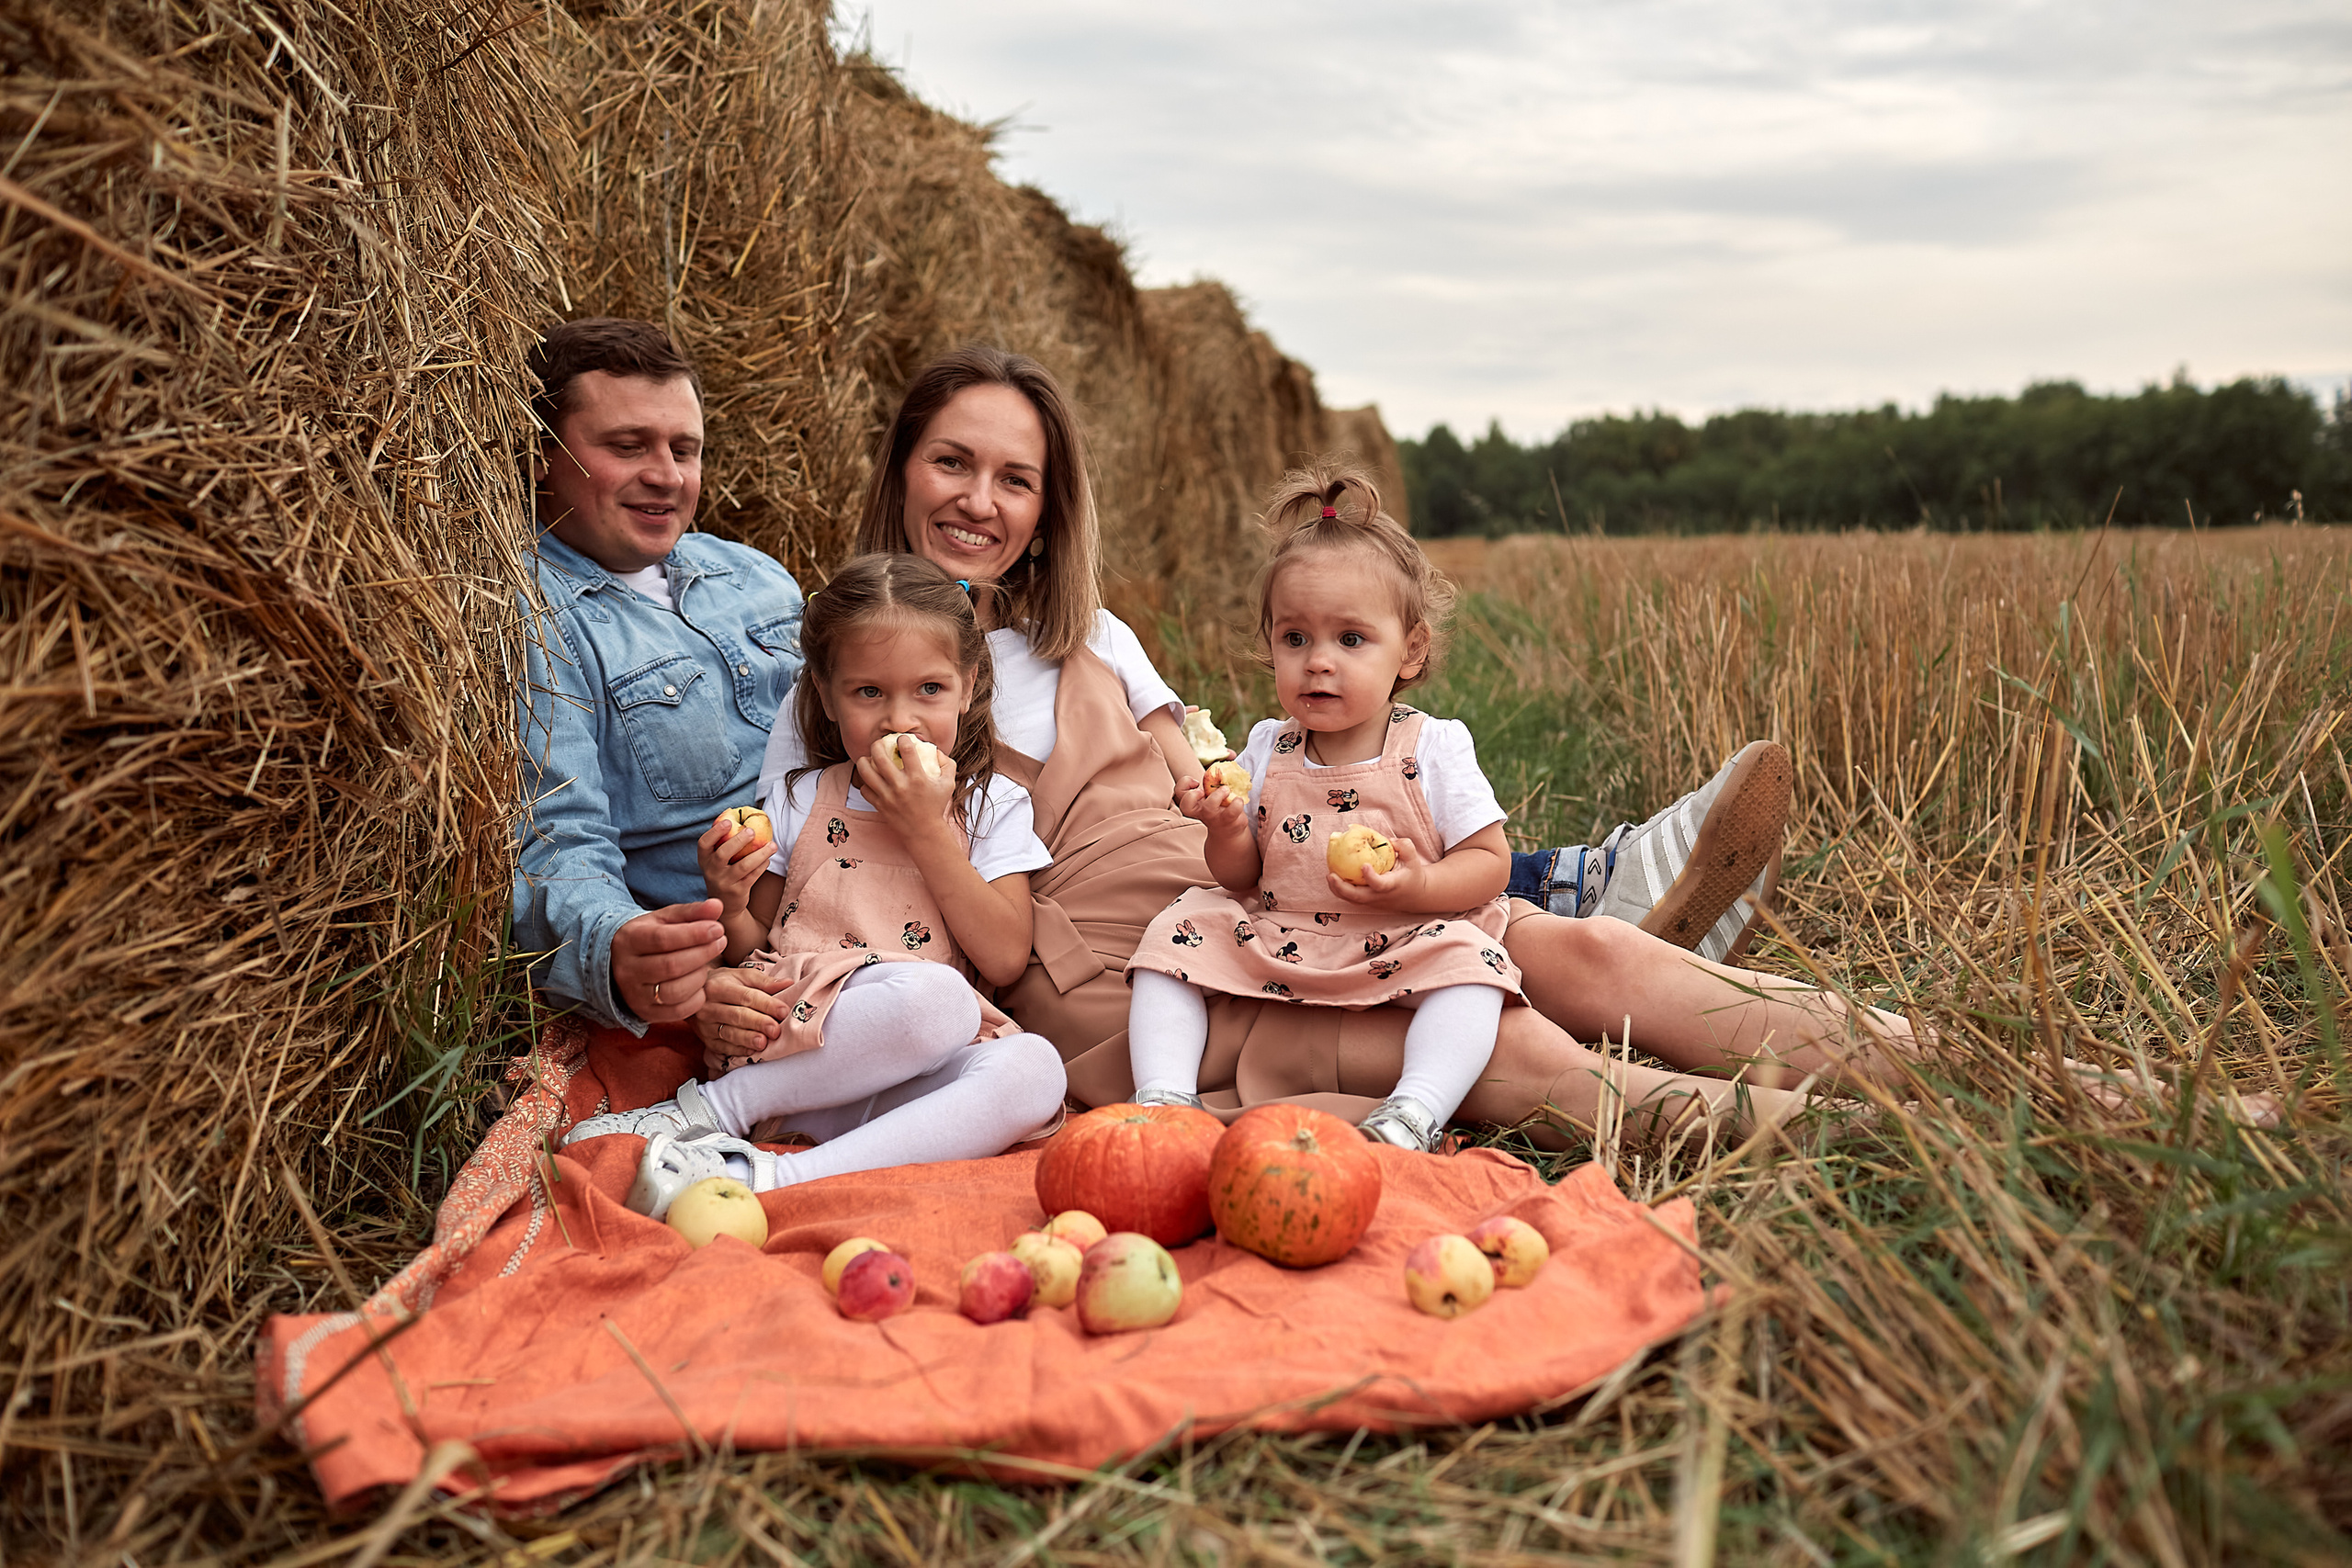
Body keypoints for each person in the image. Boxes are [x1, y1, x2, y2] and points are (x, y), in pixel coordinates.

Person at [703, 345, 1921, 1143]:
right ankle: (1840, 1132)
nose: (980, 499)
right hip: (1119, 974)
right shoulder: (849, 679)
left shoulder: (1090, 632)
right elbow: (810, 907)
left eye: (1014, 478)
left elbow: (1206, 766)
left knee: (1573, 950)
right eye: (952, 462)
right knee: (1500, 1034)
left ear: (1046, 507)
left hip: (1240, 893)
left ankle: (1930, 1056)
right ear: (901, 470)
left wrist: (1255, 816)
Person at [560, 555, 1067, 1212]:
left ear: (968, 686)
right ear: (827, 696)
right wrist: (732, 898)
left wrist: (926, 831)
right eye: (868, 693)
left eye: (930, 690)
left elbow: (1002, 955)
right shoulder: (802, 797)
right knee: (940, 999)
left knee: (1037, 1070)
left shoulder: (992, 804)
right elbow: (754, 945)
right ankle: (705, 1110)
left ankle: (768, 1181)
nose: (900, 719)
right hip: (794, 1050)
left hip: (904, 1069)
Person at [1126, 465, 1524, 1152]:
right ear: (1270, 644)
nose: (1318, 662)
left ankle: (1414, 1112)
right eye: (1295, 639)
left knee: (1476, 967)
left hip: (1402, 933)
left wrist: (1420, 885)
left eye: (1350, 639)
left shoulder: (1432, 747)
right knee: (1172, 934)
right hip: (1284, 932)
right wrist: (1224, 827)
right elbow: (1241, 877)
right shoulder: (1265, 748)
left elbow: (1492, 863)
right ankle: (1163, 1099)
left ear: (1412, 650)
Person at [512, 318, 806, 1034]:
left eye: (684, 449)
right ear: (539, 453)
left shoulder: (753, 572)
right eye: (626, 446)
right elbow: (559, 840)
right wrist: (618, 945)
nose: (668, 475)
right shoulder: (534, 616)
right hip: (755, 959)